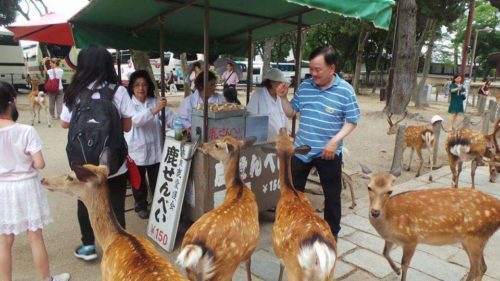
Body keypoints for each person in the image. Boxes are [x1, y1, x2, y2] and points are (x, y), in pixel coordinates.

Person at [60, 45, 134, 261]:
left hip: (83, 164)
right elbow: (127, 126)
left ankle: (88, 247)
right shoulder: (118, 91)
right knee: (116, 206)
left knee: (85, 202)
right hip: (114, 163)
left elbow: (65, 124)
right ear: (108, 65)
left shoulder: (73, 92)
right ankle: (119, 251)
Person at [278, 47, 360, 240]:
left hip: (328, 153)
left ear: (332, 68)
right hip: (301, 150)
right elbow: (291, 112)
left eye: (318, 69)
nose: (313, 73)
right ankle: (294, 231)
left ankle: (331, 237)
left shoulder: (345, 91)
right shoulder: (305, 87)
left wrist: (335, 141)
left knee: (332, 197)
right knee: (292, 193)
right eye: (311, 69)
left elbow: (352, 121)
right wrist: (282, 97)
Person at [0, 82, 70, 281]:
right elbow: (39, 163)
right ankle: (47, 279)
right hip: (26, 186)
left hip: (2, 189)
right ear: (12, 102)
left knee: (4, 242)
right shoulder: (26, 131)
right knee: (35, 237)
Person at [125, 70, 174, 219]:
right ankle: (140, 204)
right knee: (138, 182)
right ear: (132, 87)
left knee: (157, 180)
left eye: (144, 85)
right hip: (136, 149)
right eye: (137, 85)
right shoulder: (128, 103)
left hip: (155, 149)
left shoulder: (154, 101)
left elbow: (170, 118)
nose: (141, 88)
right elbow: (136, 121)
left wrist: (182, 126)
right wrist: (155, 110)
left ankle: (159, 205)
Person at [247, 68, 290, 141]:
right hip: (262, 140)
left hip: (280, 139)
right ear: (271, 83)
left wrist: (287, 133)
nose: (281, 85)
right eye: (279, 83)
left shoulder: (281, 97)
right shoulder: (258, 95)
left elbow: (284, 117)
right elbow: (251, 116)